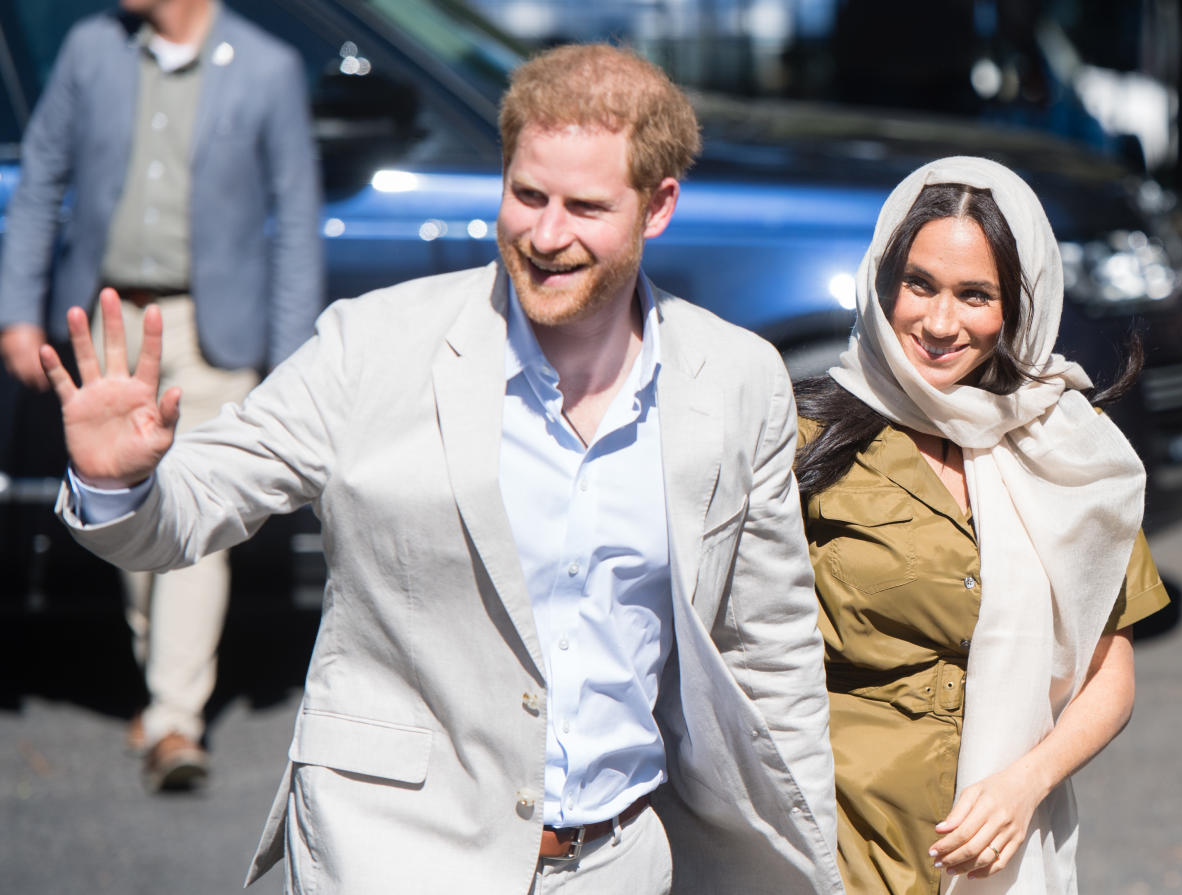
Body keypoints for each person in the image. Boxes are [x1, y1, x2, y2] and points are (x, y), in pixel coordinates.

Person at [39, 44, 844, 894]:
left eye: (584, 206)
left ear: (658, 207)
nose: (544, 233)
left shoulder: (737, 378)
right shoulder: (373, 343)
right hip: (390, 854)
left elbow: (769, 652)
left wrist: (806, 867)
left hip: (621, 861)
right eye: (526, 194)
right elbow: (197, 506)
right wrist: (120, 483)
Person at [795, 156, 1168, 893]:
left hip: (1002, 847)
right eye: (919, 284)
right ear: (882, 281)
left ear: (1017, 307)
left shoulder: (1069, 449)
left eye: (974, 295)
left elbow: (1109, 675)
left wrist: (1022, 784)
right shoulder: (804, 439)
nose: (938, 322)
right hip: (832, 845)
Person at [0, 0, 322, 791]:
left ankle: (176, 718)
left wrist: (288, 361)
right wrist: (15, 311)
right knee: (126, 513)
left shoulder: (267, 67)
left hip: (214, 331)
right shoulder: (90, 51)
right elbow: (40, 180)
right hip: (111, 319)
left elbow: (298, 216)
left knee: (196, 511)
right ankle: (163, 683)